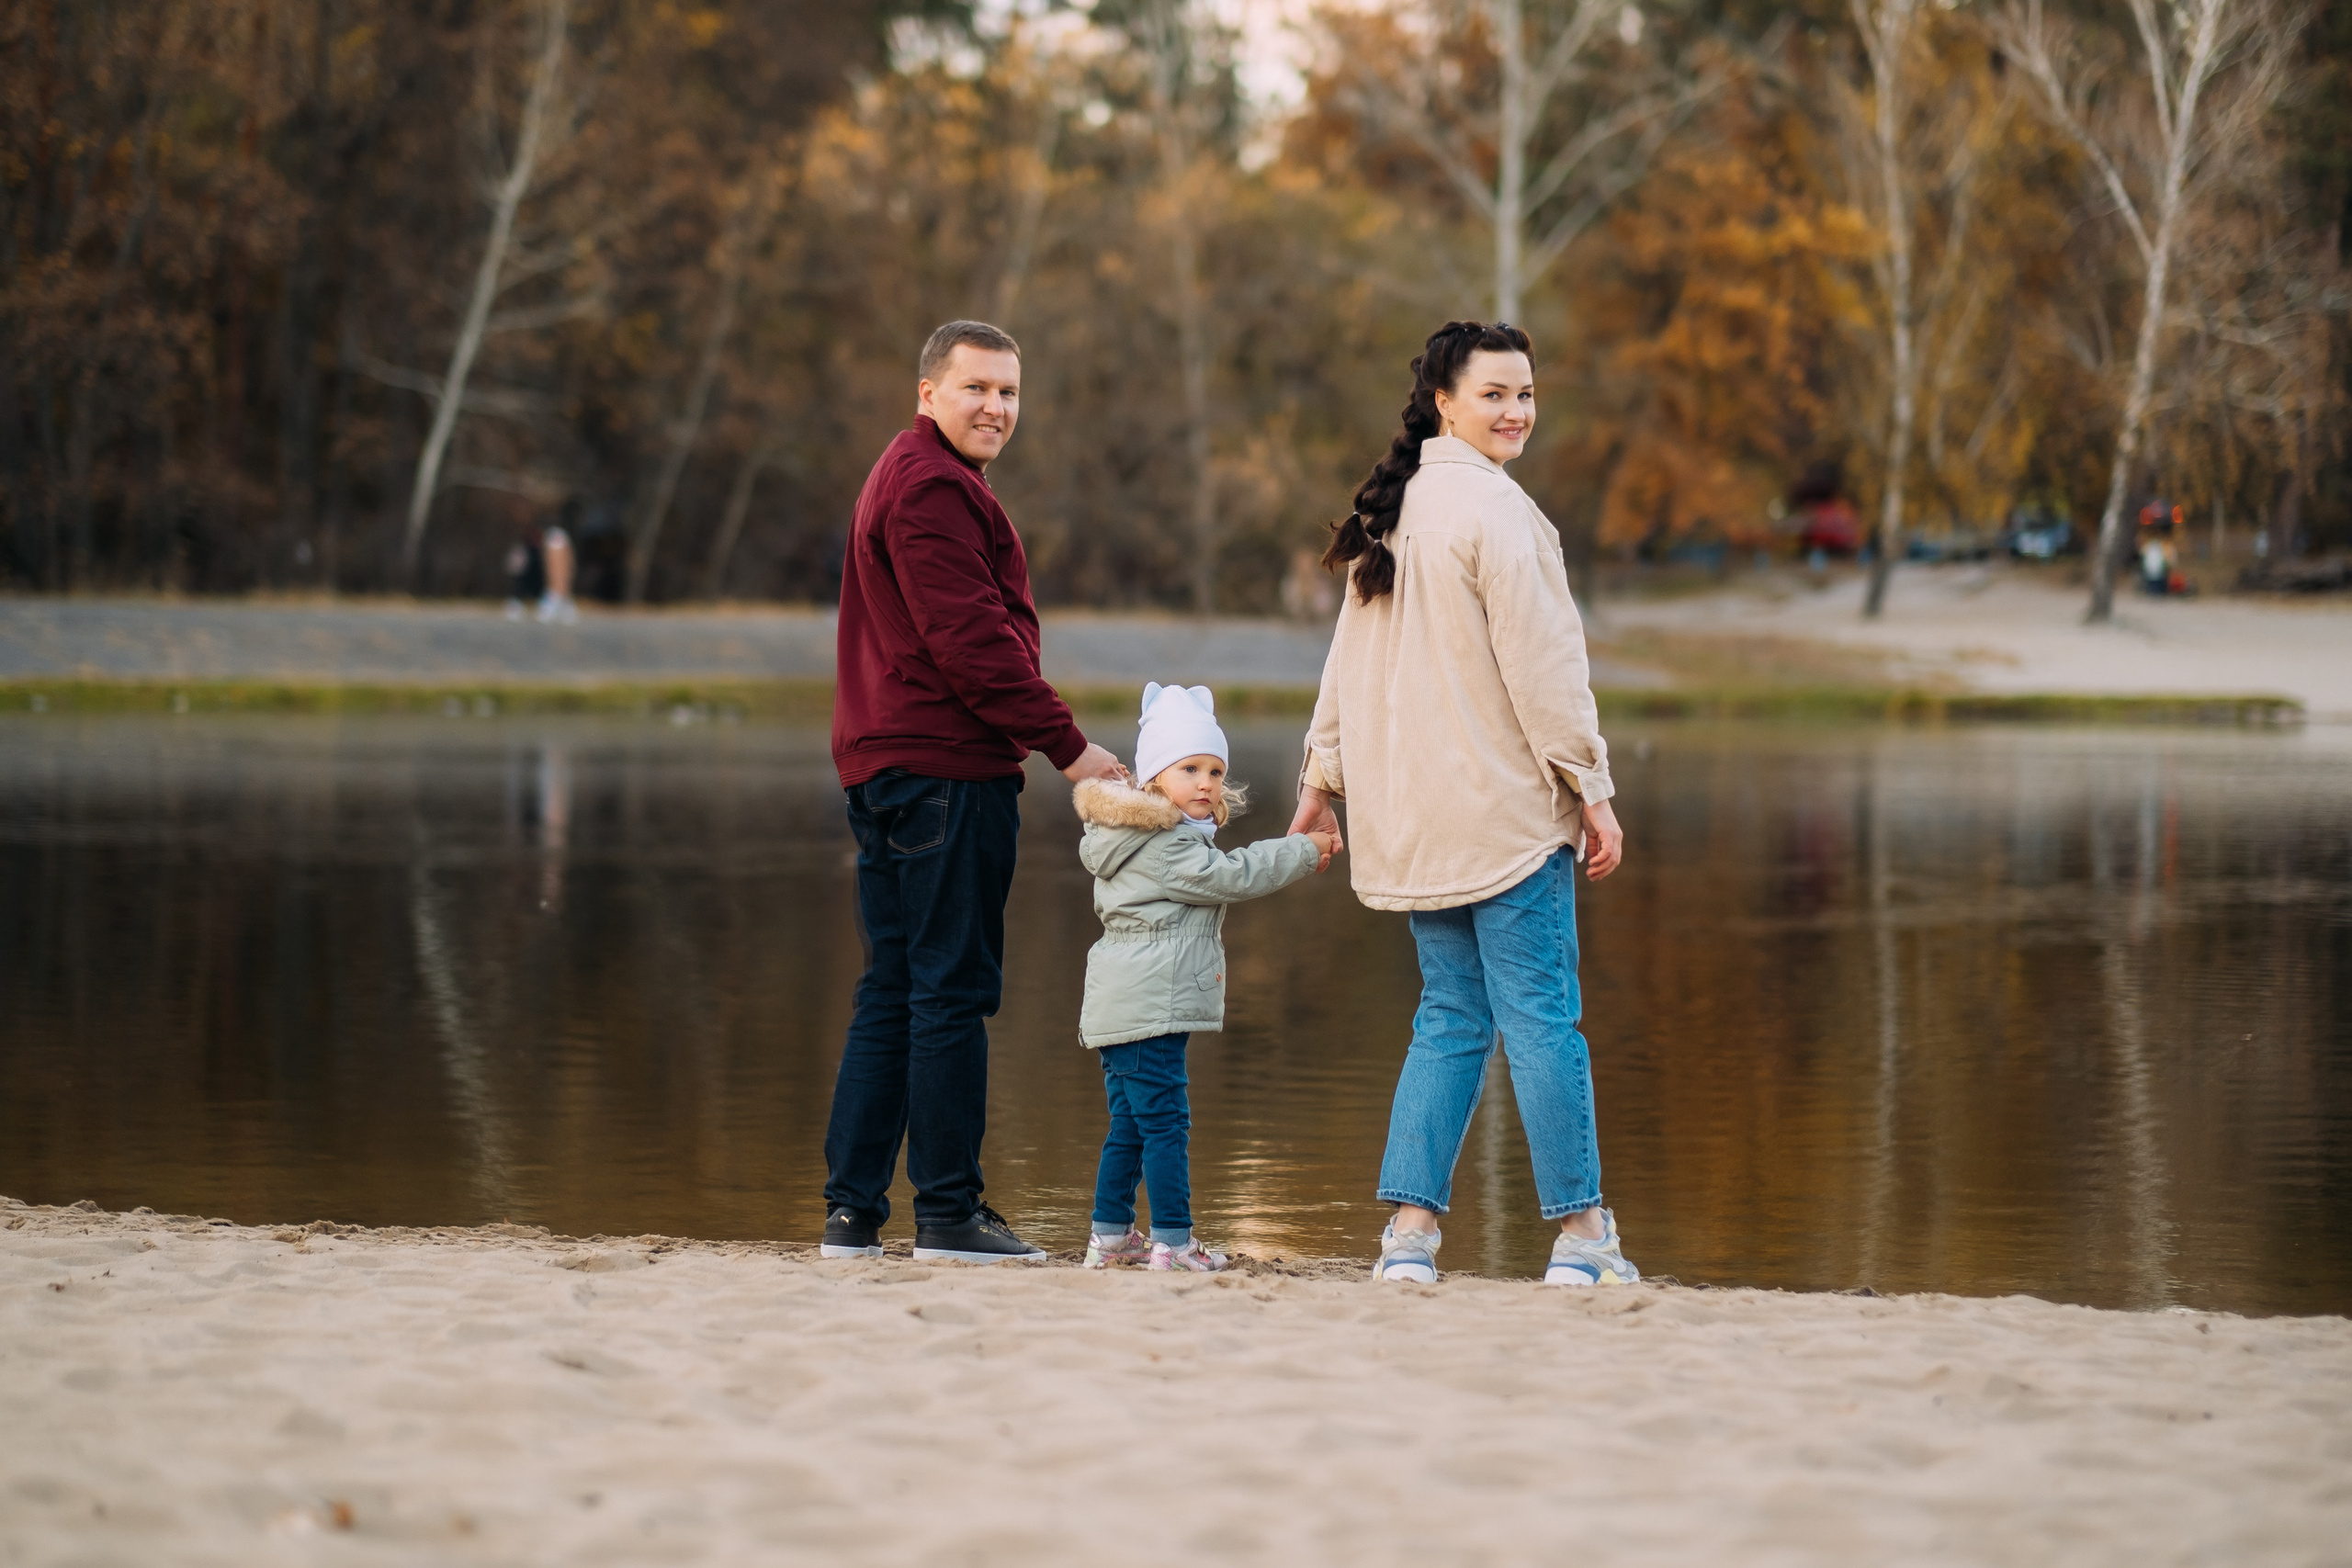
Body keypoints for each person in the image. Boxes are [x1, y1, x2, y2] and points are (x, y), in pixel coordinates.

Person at [1289, 320, 1635, 1288]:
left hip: (1416, 825)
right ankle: (1581, 1239)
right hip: (1505, 820)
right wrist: (1592, 792)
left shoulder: (1390, 514)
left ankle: (1407, 1238)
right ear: (1444, 401)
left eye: (1525, 394)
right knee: (1541, 1019)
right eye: (1494, 394)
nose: (1516, 411)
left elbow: (1340, 672)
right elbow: (1548, 675)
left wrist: (1320, 784)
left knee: (1449, 1017)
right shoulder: (1497, 512)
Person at [820, 320, 1125, 1265]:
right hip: (942, 772)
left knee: (898, 987)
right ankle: (949, 1215)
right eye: (976, 388)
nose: (995, 407)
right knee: (949, 991)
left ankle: (852, 1217)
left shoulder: (914, 476)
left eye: (1009, 393)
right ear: (927, 394)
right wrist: (1071, 751)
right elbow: (973, 647)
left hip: (894, 764)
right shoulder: (931, 489)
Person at [1072, 684, 1338, 1273]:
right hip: (1151, 1004)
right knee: (1166, 1123)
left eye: (1215, 770)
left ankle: (1110, 1236)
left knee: (1131, 1125)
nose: (1206, 783)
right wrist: (1301, 850)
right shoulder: (1165, 847)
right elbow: (1233, 877)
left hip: (1122, 1004)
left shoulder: (1134, 841)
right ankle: (1173, 1241)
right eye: (1189, 768)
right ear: (1152, 780)